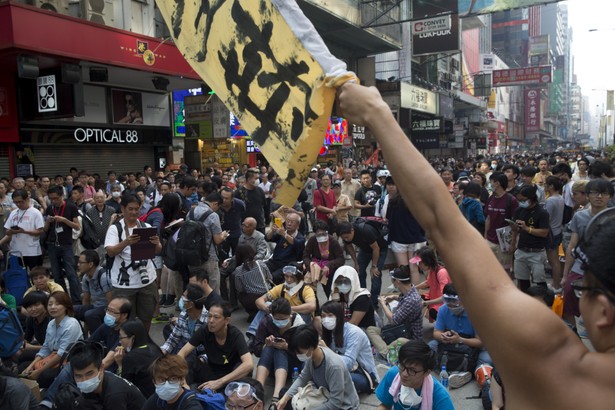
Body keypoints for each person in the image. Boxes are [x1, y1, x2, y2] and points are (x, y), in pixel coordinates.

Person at [338, 82, 615, 408]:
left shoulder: (561, 368)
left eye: (582, 289)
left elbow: (443, 225)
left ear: (603, 311)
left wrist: (376, 113)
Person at [104, 194, 161, 331]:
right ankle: (125, 346)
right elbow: (110, 252)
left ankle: (143, 343)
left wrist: (157, 244)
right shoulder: (115, 229)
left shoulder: (145, 226)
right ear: (123, 209)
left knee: (146, 318)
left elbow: (157, 251)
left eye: (137, 209)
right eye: (130, 209)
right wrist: (126, 242)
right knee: (124, 321)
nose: (134, 212)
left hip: (147, 280)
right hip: (124, 284)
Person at [561, 179, 613, 327]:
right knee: (569, 291)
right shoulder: (579, 216)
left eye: (604, 193)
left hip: (604, 269)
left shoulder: (612, 217)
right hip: (581, 265)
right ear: (588, 195)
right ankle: (572, 328)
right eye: (595, 193)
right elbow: (572, 244)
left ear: (610, 196)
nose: (599, 197)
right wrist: (565, 275)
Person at [276, 324, 360, 410]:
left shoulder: (334, 366)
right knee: (284, 394)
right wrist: (285, 398)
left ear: (311, 347)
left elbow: (335, 403)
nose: (298, 355)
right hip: (323, 396)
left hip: (344, 406)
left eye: (299, 352)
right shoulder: (311, 356)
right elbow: (303, 378)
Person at [428, 284, 493, 389]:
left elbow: (480, 342)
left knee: (487, 358)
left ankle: (456, 370)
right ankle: (462, 371)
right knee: (431, 346)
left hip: (472, 346)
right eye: (447, 300)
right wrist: (443, 336)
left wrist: (460, 340)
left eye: (454, 301)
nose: (451, 305)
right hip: (451, 344)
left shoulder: (475, 312)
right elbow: (436, 332)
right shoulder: (443, 310)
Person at [178, 302, 253, 391]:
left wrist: (219, 382)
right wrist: (183, 380)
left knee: (244, 375)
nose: (211, 321)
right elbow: (181, 353)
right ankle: (184, 389)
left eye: (216, 317)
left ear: (227, 320)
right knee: (189, 360)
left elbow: (249, 364)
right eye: (209, 316)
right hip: (212, 371)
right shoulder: (204, 330)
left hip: (230, 376)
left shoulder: (235, 335)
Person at [19, 291, 83, 388]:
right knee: (23, 367)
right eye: (50, 304)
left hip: (70, 359)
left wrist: (38, 371)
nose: (53, 307)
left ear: (66, 306)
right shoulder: (51, 323)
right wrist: (30, 367)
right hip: (54, 356)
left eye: (58, 304)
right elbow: (46, 348)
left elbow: (61, 354)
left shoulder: (71, 324)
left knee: (44, 376)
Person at [59, 341, 145, 409]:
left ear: (101, 368)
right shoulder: (99, 383)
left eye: (89, 374)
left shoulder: (114, 394)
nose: (84, 380)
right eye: (78, 376)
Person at [375, 340, 454, 410]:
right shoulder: (393, 375)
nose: (404, 374)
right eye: (402, 365)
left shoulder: (440, 397)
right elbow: (385, 405)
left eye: (412, 370)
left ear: (426, 373)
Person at [320, 301, 379, 394]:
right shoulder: (329, 332)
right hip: (337, 370)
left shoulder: (354, 333)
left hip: (362, 373)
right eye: (323, 316)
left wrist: (327, 352)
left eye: (330, 315)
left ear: (339, 316)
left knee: (338, 379)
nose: (326, 319)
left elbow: (348, 363)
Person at [253, 298, 304, 401]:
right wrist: (265, 344)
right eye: (277, 319)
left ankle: (276, 396)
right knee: (269, 348)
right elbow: (256, 350)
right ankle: (258, 391)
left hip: (293, 369)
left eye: (283, 319)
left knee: (280, 350)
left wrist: (287, 347)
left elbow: (304, 354)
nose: (280, 322)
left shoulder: (300, 326)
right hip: (270, 368)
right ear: (272, 316)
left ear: (290, 315)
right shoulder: (266, 322)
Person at [367, 265, 423, 358]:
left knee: (400, 341)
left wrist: (383, 304)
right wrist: (394, 297)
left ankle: (386, 353)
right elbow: (404, 298)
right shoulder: (411, 290)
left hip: (410, 338)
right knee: (371, 329)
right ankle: (388, 349)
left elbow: (393, 320)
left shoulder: (412, 300)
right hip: (399, 330)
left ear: (397, 282)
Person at [252, 264, 317, 338]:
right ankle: (253, 334)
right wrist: (267, 308)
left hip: (300, 317)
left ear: (298, 277)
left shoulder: (306, 289)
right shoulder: (281, 287)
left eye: (292, 277)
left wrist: (287, 309)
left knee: (305, 314)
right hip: (283, 316)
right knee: (266, 304)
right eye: (286, 276)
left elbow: (312, 306)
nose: (289, 280)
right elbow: (259, 300)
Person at [43, 185, 81, 303]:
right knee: (56, 274)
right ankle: (63, 298)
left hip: (66, 244)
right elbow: (45, 229)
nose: (53, 201)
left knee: (71, 273)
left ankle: (76, 300)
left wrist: (64, 220)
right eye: (51, 199)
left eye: (56, 198)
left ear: (62, 196)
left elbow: (77, 226)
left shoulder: (71, 207)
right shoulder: (50, 208)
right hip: (52, 243)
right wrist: (48, 222)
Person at [338, 220, 388, 308]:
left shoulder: (365, 231)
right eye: (343, 238)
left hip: (379, 249)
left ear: (352, 231)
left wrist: (374, 266)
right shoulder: (346, 235)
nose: (346, 239)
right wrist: (356, 263)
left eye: (347, 237)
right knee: (359, 271)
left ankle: (374, 302)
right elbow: (349, 247)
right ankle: (363, 298)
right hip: (365, 249)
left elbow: (376, 249)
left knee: (375, 275)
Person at [510, 185, 550, 292]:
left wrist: (527, 228)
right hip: (521, 250)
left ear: (531, 199)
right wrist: (513, 244)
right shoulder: (519, 210)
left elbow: (544, 232)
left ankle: (544, 302)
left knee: (539, 282)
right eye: (519, 200)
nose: (521, 202)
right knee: (522, 281)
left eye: (523, 200)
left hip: (536, 252)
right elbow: (516, 231)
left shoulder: (542, 213)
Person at [384, 177, 426, 274]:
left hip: (399, 239)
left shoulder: (393, 201)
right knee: (414, 268)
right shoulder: (417, 201)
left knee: (403, 269)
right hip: (416, 239)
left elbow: (388, 218)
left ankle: (406, 289)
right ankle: (415, 289)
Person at [113, 319, 163, 397]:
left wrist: (120, 364)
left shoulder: (131, 358)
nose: (120, 342)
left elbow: (124, 386)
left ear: (132, 338)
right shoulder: (155, 348)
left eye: (121, 338)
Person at [161, 284, 210, 361]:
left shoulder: (209, 320)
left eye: (183, 298)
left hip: (201, 357)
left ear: (191, 304)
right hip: (185, 352)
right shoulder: (183, 315)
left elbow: (214, 351)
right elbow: (173, 339)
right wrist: (162, 351)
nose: (181, 299)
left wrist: (200, 361)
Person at [0, 189, 44, 270]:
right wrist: (11, 231)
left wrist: (23, 231)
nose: (18, 204)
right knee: (19, 278)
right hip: (16, 251)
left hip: (32, 251)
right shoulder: (13, 213)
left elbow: (40, 231)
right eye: (15, 202)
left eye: (20, 201)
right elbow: (7, 232)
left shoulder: (35, 213)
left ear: (27, 199)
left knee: (34, 276)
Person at [484, 172, 518, 272]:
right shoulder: (490, 198)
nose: (490, 184)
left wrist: (512, 243)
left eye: (491, 182)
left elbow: (514, 224)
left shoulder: (511, 200)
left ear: (497, 183)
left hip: (504, 242)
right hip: (490, 240)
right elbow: (488, 218)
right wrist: (485, 236)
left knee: (504, 271)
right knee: (488, 269)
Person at [302, 220, 345, 297]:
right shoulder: (312, 240)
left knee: (331, 292)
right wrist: (310, 266)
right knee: (310, 291)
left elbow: (341, 259)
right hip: (315, 267)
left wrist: (329, 265)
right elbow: (305, 256)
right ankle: (314, 305)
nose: (322, 236)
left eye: (324, 234)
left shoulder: (333, 241)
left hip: (330, 269)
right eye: (319, 234)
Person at [74, 249, 113, 335]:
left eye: (81, 262)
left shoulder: (103, 277)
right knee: (71, 309)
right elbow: (86, 301)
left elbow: (111, 302)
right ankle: (80, 336)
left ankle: (99, 341)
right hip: (95, 307)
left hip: (106, 308)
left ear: (90, 264)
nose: (78, 265)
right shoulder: (86, 278)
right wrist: (85, 331)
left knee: (90, 314)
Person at [264, 213, 305, 284]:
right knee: (260, 269)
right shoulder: (281, 233)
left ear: (298, 225)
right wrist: (272, 230)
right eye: (288, 221)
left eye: (292, 222)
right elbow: (268, 238)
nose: (289, 224)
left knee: (273, 276)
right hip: (274, 262)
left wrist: (284, 234)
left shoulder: (300, 237)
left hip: (288, 265)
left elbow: (296, 243)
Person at [233, 244, 272, 317]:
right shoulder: (261, 264)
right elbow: (270, 278)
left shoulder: (238, 271)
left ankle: (252, 313)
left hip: (251, 300)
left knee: (240, 294)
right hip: (267, 295)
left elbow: (239, 288)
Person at [412, 246, 451, 320]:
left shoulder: (441, 272)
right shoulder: (433, 269)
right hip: (435, 297)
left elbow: (446, 297)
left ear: (427, 261)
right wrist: (413, 288)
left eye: (420, 263)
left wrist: (426, 303)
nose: (419, 265)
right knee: (416, 298)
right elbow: (428, 282)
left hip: (445, 303)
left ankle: (445, 325)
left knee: (433, 312)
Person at [544, 176, 565, 289]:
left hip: (551, 232)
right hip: (557, 231)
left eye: (546, 184)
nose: (545, 186)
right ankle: (556, 282)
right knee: (555, 259)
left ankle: (556, 284)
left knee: (553, 260)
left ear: (551, 186)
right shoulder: (560, 198)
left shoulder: (551, 200)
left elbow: (547, 218)